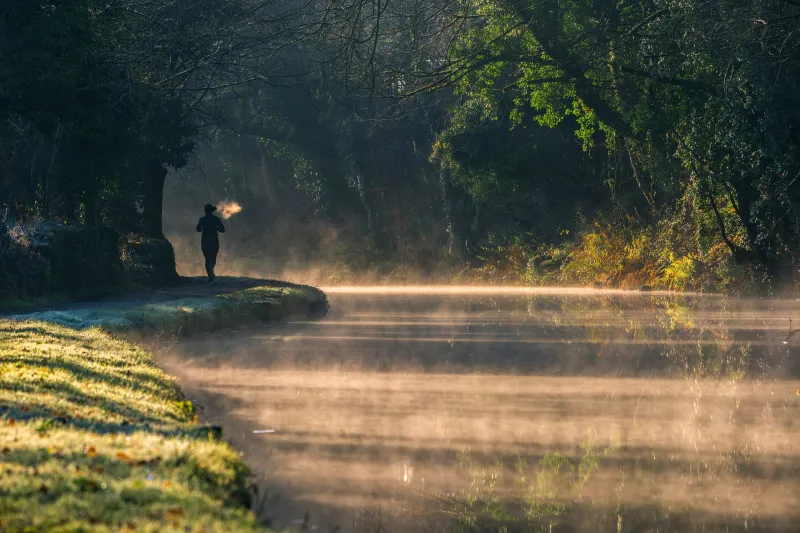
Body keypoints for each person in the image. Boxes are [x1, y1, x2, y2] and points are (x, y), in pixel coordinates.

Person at [196, 204, 225, 282]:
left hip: (205, 241)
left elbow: (198, 229)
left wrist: (202, 228)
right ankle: (211, 272)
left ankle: (210, 274)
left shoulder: (202, 219)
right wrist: (216, 228)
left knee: (207, 259)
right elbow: (223, 229)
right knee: (213, 258)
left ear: (205, 211)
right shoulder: (215, 219)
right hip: (214, 241)